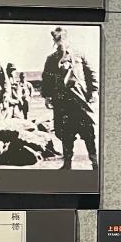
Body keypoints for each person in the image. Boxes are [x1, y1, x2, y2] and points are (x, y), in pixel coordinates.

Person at [41, 27, 98, 169]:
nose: (59, 42)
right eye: (56, 39)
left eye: (61, 39)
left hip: (80, 101)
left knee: (88, 132)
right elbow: (46, 79)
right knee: (65, 133)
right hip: (62, 103)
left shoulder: (79, 54)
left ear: (67, 39)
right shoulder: (51, 59)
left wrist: (94, 91)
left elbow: (91, 73)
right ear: (54, 40)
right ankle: (67, 164)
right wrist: (47, 96)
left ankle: (95, 162)